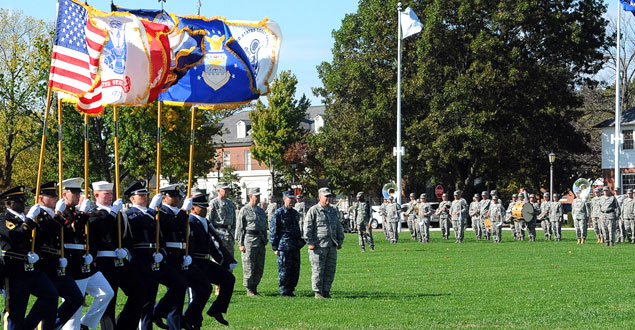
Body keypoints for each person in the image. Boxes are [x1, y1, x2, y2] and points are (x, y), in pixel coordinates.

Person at [0, 185, 58, 330]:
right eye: (19, 200)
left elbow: (40, 238)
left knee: (50, 295)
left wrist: (37, 253)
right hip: (14, 272)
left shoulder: (28, 218)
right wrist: (30, 219)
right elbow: (16, 235)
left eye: (23, 199)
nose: (23, 203)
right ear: (8, 203)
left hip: (33, 270)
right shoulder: (3, 219)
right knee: (14, 312)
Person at [89, 180, 145, 330]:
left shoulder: (119, 215)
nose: (109, 197)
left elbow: (128, 238)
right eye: (106, 194)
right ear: (96, 195)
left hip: (119, 260)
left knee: (140, 292)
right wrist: (113, 212)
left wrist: (125, 250)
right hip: (102, 262)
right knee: (109, 302)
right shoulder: (92, 213)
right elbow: (101, 229)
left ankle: (124, 326)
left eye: (111, 194)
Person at [59, 178, 114, 330]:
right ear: (65, 194)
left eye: (79, 193)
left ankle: (86, 323)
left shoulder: (76, 212)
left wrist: (91, 253)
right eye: (74, 193)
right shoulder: (62, 211)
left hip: (85, 262)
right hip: (72, 263)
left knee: (106, 293)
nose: (78, 196)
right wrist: (83, 213)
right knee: (73, 309)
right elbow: (73, 229)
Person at [153, 184, 209, 330]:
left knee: (204, 287)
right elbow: (172, 226)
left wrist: (188, 254)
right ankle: (162, 315)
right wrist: (184, 211)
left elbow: (187, 235)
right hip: (169, 257)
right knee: (178, 291)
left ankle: (185, 319)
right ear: (164, 198)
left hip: (182, 256)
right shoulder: (162, 212)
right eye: (174, 196)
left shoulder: (180, 213)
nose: (177, 199)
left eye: (178, 196)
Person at [31, 181, 84, 330]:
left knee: (76, 298)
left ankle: (53, 326)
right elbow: (49, 231)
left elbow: (68, 232)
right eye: (51, 195)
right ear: (41, 198)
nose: (55, 198)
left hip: (59, 265)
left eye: (55, 195)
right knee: (48, 301)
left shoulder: (54, 215)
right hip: (45, 264)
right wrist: (59, 215)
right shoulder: (38, 215)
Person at [189, 193, 235, 326]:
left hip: (205, 262)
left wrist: (224, 262)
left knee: (228, 278)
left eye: (205, 207)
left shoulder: (205, 222)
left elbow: (212, 245)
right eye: (201, 207)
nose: (205, 209)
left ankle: (217, 309)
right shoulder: (190, 221)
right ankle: (191, 320)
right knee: (200, 293)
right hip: (195, 263)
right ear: (193, 208)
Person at [303, 187, 345, 299]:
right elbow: (307, 228)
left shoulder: (332, 210)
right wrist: (310, 242)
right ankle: (318, 292)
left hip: (331, 245)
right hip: (318, 246)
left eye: (329, 196)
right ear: (320, 197)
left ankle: (326, 290)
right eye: (326, 196)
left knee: (330, 270)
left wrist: (340, 240)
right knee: (318, 270)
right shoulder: (313, 210)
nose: (328, 198)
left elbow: (338, 226)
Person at [270, 190, 305, 297]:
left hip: (294, 245)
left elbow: (298, 230)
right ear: (284, 199)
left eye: (293, 199)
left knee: (295, 269)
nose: (292, 201)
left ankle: (291, 288)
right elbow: (274, 230)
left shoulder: (295, 213)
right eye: (289, 199)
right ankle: (284, 290)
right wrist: (275, 247)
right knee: (284, 269)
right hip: (283, 245)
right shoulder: (279, 213)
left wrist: (300, 242)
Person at [236, 188, 268, 296]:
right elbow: (240, 228)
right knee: (249, 265)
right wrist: (240, 244)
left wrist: (265, 239)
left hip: (260, 241)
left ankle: (255, 287)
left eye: (259, 195)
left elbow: (264, 226)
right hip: (249, 240)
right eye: (256, 196)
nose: (258, 197)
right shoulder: (244, 210)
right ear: (251, 196)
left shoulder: (261, 211)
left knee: (259, 266)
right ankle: (249, 288)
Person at [208, 182, 236, 269]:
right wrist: (213, 235)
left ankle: (227, 281)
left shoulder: (230, 203)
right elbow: (209, 221)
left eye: (228, 189)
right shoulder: (213, 203)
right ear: (218, 190)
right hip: (219, 234)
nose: (227, 191)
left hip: (229, 235)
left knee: (230, 261)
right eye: (225, 189)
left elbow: (234, 220)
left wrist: (233, 232)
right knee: (218, 261)